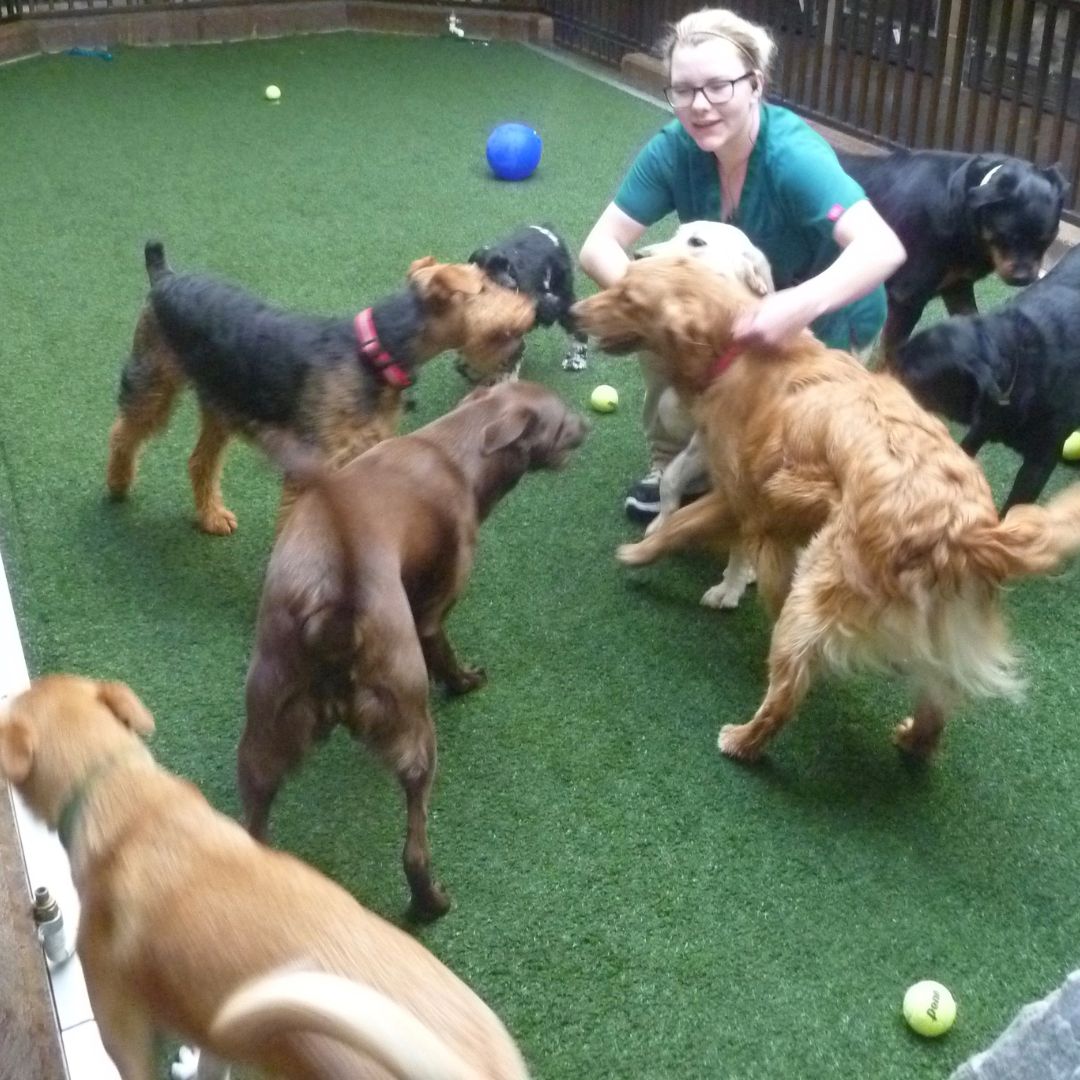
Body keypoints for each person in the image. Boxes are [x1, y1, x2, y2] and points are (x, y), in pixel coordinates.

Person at [578, 7, 907, 523]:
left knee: (788, 439)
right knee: (654, 320)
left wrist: (794, 307)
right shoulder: (674, 149)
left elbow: (881, 247)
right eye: (683, 90)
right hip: (732, 306)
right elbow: (599, 247)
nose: (699, 106)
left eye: (718, 87)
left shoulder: (793, 157)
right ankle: (669, 463)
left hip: (828, 311)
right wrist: (662, 312)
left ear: (755, 84)